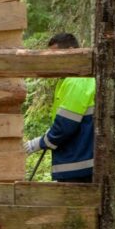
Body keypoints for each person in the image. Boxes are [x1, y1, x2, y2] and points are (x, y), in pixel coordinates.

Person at [23, 33, 95, 183]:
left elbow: (65, 126)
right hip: (76, 163)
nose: (53, 63)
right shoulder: (68, 80)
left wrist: (38, 143)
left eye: (56, 56)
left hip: (78, 166)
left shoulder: (77, 80)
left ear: (70, 51)